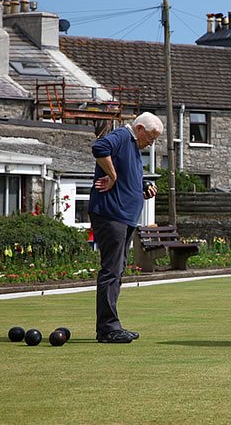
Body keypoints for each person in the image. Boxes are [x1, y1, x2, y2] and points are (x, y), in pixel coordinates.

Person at [88, 112, 164, 343]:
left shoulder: (132, 146)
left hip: (124, 217)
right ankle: (107, 329)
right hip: (111, 215)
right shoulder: (122, 135)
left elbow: (128, 176)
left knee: (117, 270)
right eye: (150, 137)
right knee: (111, 270)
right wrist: (110, 175)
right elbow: (99, 147)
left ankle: (111, 326)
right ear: (139, 128)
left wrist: (144, 187)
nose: (151, 143)